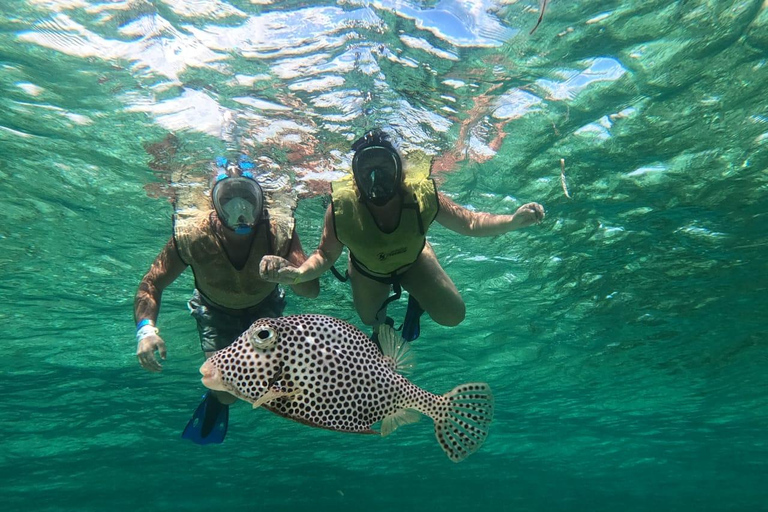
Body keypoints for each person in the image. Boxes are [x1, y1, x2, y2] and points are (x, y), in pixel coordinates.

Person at [258, 129, 544, 341]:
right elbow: (324, 256)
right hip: (368, 271)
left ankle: (417, 298)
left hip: (414, 260)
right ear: (355, 175)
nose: (375, 178)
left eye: (384, 167)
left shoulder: (421, 196)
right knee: (372, 320)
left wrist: (513, 220)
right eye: (366, 168)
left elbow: (469, 222)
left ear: (400, 171)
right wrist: (296, 274)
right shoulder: (341, 209)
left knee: (453, 316)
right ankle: (401, 303)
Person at [134, 156, 319, 444]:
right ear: (215, 204)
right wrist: (146, 331)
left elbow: (312, 290)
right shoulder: (193, 236)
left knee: (276, 383)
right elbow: (151, 282)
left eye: (247, 196)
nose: (239, 207)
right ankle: (216, 402)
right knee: (226, 393)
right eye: (228, 197)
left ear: (261, 201)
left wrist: (292, 276)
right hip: (214, 311)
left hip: (265, 308)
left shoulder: (278, 232)